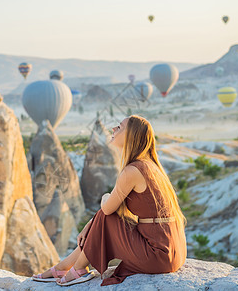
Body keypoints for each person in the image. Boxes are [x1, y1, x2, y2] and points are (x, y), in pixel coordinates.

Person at [32, 115, 187, 286]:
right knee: (105, 216)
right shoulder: (151, 166)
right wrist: (91, 223)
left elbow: (107, 210)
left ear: (131, 136)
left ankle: (76, 268)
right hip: (173, 251)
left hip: (158, 255)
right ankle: (67, 266)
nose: (113, 129)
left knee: (106, 215)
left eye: (120, 127)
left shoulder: (133, 170)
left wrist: (104, 199)